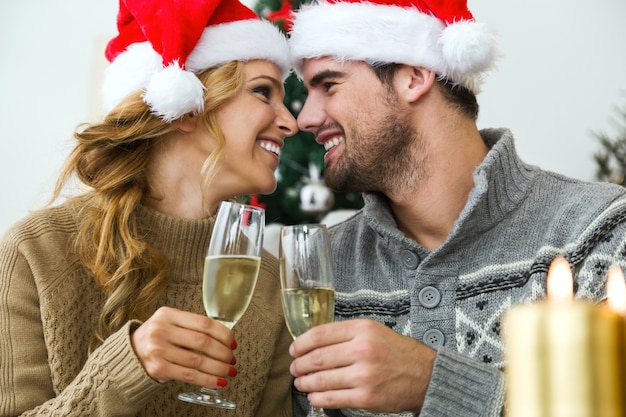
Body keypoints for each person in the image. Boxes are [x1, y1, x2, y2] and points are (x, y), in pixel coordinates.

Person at [285, 0, 626, 416]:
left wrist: (436, 384)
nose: (305, 117)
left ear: (414, 76)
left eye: (329, 85)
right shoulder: (324, 269)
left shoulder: (601, 231)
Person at [0, 0, 298, 415]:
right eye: (263, 91)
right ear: (186, 105)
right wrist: (125, 369)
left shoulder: (268, 285)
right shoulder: (38, 253)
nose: (291, 122)